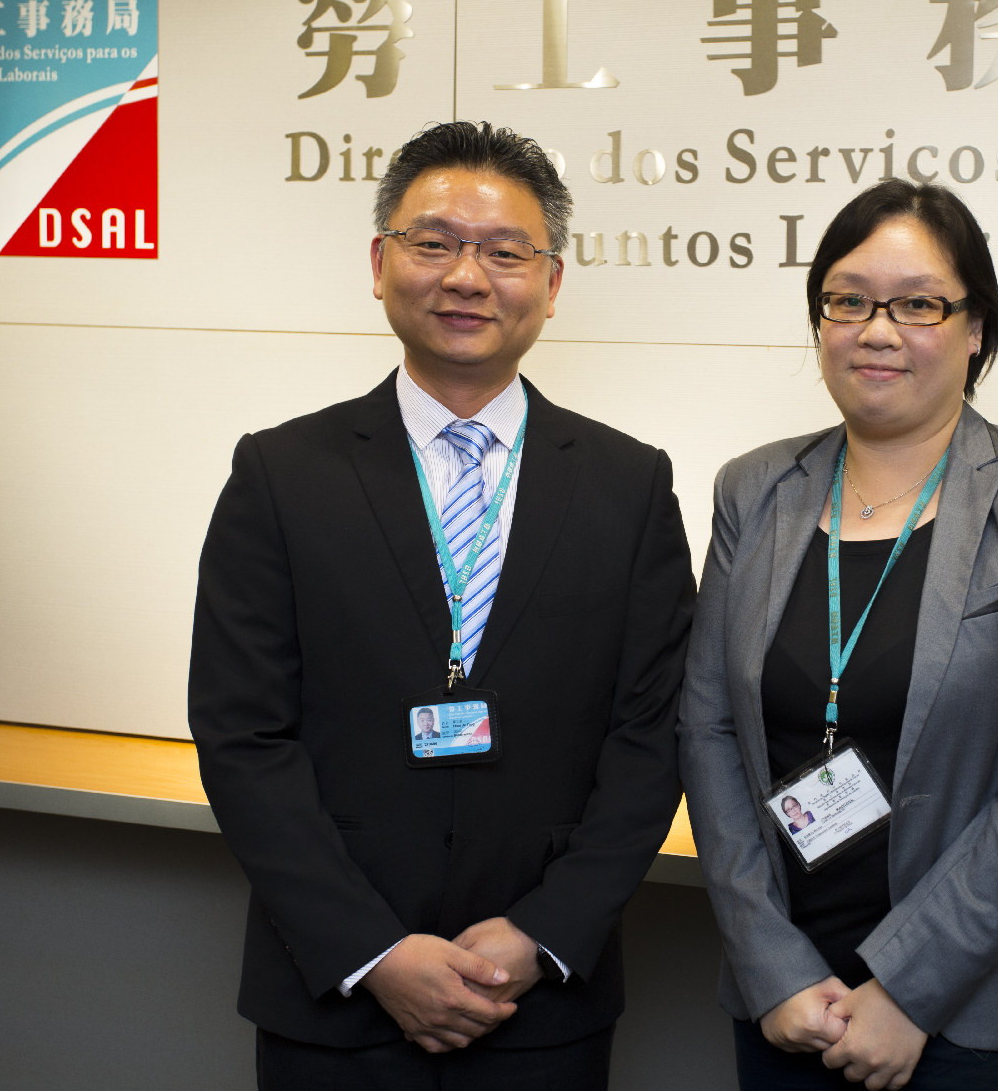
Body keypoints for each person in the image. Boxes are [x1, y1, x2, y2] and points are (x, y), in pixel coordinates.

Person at [190, 121, 694, 1090]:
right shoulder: (280, 474)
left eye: (505, 252)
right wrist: (372, 951)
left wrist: (545, 932)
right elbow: (241, 733)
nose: (467, 276)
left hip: (544, 1005)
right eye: (435, 243)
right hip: (335, 1002)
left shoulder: (629, 484)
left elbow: (654, 734)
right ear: (380, 264)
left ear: (551, 283)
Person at [678, 180, 998, 1091]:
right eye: (848, 301)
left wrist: (906, 991)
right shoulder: (754, 491)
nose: (877, 331)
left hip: (967, 1006)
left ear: (975, 328)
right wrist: (774, 966)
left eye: (918, 304)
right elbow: (709, 729)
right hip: (788, 1001)